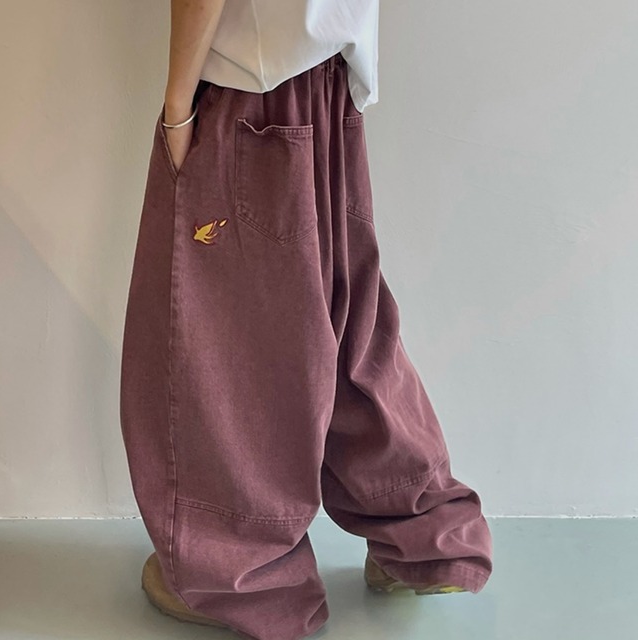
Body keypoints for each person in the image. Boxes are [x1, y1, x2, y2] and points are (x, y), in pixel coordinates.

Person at [119, 2, 493, 640]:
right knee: (349, 328)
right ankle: (424, 531)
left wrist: (177, 107)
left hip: (246, 100)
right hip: (327, 89)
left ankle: (240, 572)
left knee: (229, 350)